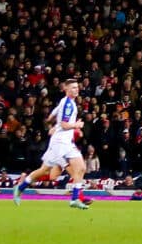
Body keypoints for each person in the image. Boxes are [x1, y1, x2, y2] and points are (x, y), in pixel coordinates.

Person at [13, 78, 91, 210]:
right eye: (72, 87)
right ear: (66, 89)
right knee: (78, 168)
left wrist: (51, 122)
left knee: (47, 170)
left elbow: (53, 114)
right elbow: (65, 125)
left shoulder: (65, 101)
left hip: (60, 141)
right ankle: (76, 199)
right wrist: (76, 125)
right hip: (62, 143)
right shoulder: (68, 104)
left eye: (77, 87)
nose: (76, 89)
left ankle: (20, 188)